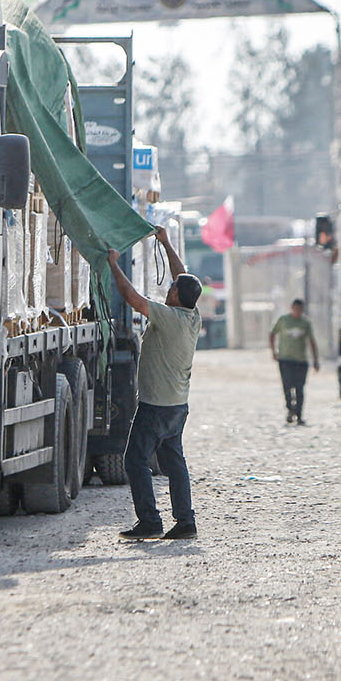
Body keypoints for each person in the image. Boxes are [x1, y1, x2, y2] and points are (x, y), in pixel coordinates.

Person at [107, 227, 204, 540]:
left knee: (134, 460)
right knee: (174, 462)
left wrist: (113, 264)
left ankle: (150, 521)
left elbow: (133, 298)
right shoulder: (192, 316)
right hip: (177, 405)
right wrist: (165, 243)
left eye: (172, 287)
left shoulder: (167, 315)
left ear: (174, 295)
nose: (170, 287)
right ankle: (185, 522)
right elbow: (184, 277)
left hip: (156, 406)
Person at [269, 299, 319, 425]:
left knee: (299, 388)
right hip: (285, 359)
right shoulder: (284, 320)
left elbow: (311, 342)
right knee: (287, 386)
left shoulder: (305, 323)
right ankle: (290, 409)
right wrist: (274, 351)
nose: (298, 312)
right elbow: (272, 334)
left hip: (301, 361)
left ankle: (299, 414)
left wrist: (315, 360)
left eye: (300, 309)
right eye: (296, 309)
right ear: (292, 308)